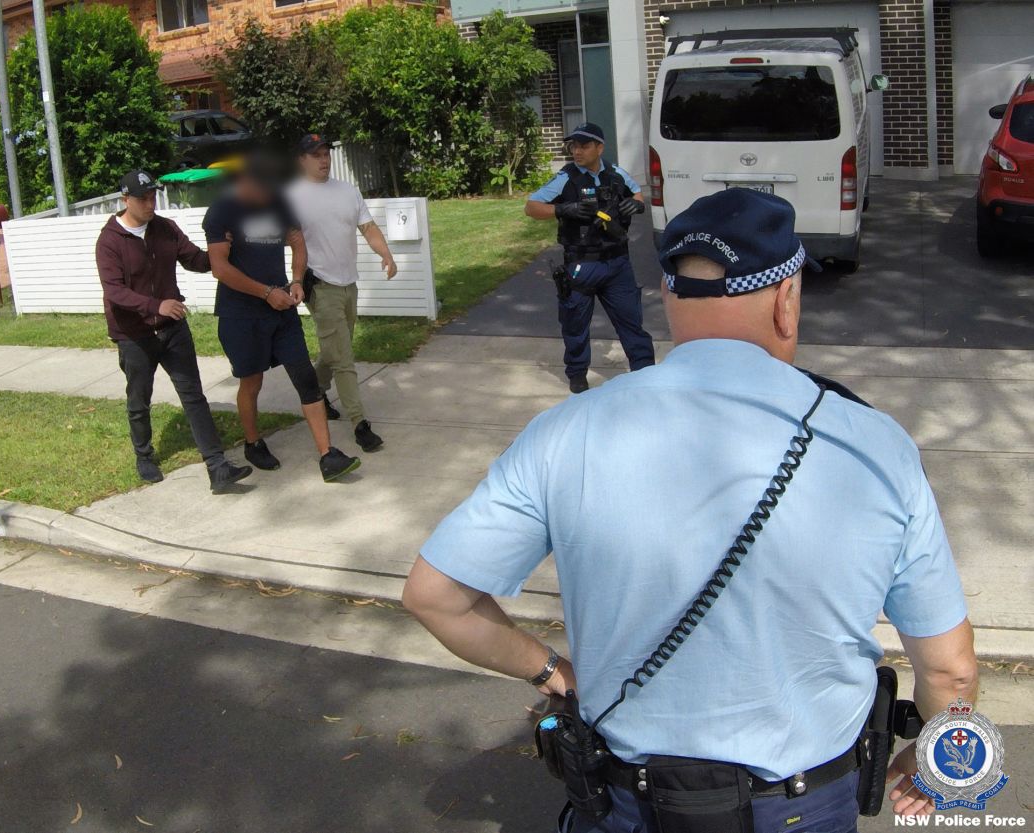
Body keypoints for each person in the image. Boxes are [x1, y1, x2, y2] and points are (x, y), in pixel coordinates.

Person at [403, 189, 978, 832]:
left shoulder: (565, 431)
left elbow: (436, 596)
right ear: (787, 301)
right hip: (803, 806)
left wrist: (552, 672)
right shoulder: (876, 445)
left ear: (670, 301)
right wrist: (937, 765)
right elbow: (950, 674)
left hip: (625, 802)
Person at [202, 153, 361, 482]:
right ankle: (252, 442)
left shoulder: (278, 203)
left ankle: (328, 456)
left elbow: (297, 242)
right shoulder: (222, 211)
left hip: (282, 311)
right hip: (242, 315)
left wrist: (297, 280)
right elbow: (220, 268)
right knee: (252, 382)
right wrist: (265, 293)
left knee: (305, 379)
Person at [95, 169, 253, 494]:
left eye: (153, 196)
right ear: (125, 200)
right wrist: (157, 306)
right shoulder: (110, 241)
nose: (150, 203)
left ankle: (218, 468)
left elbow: (194, 259)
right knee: (139, 399)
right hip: (134, 334)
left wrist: (221, 252)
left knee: (194, 396)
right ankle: (144, 456)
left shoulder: (165, 229)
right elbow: (115, 292)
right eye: (143, 198)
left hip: (173, 330)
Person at [525, 122, 655, 394]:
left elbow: (637, 193)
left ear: (600, 148)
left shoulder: (616, 174)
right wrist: (564, 209)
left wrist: (638, 204)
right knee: (575, 324)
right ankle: (577, 375)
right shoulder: (566, 177)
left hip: (618, 263)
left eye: (583, 145)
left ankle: (645, 374)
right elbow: (532, 207)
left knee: (632, 323)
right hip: (582, 263)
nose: (576, 151)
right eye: (573, 145)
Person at [287, 133, 396, 452]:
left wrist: (385, 253)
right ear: (301, 160)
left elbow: (368, 227)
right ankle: (360, 424)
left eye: (326, 153)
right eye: (315, 155)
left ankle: (316, 389)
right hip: (320, 285)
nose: (323, 160)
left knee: (336, 348)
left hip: (349, 282)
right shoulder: (291, 197)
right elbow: (288, 240)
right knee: (344, 358)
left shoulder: (347, 191)